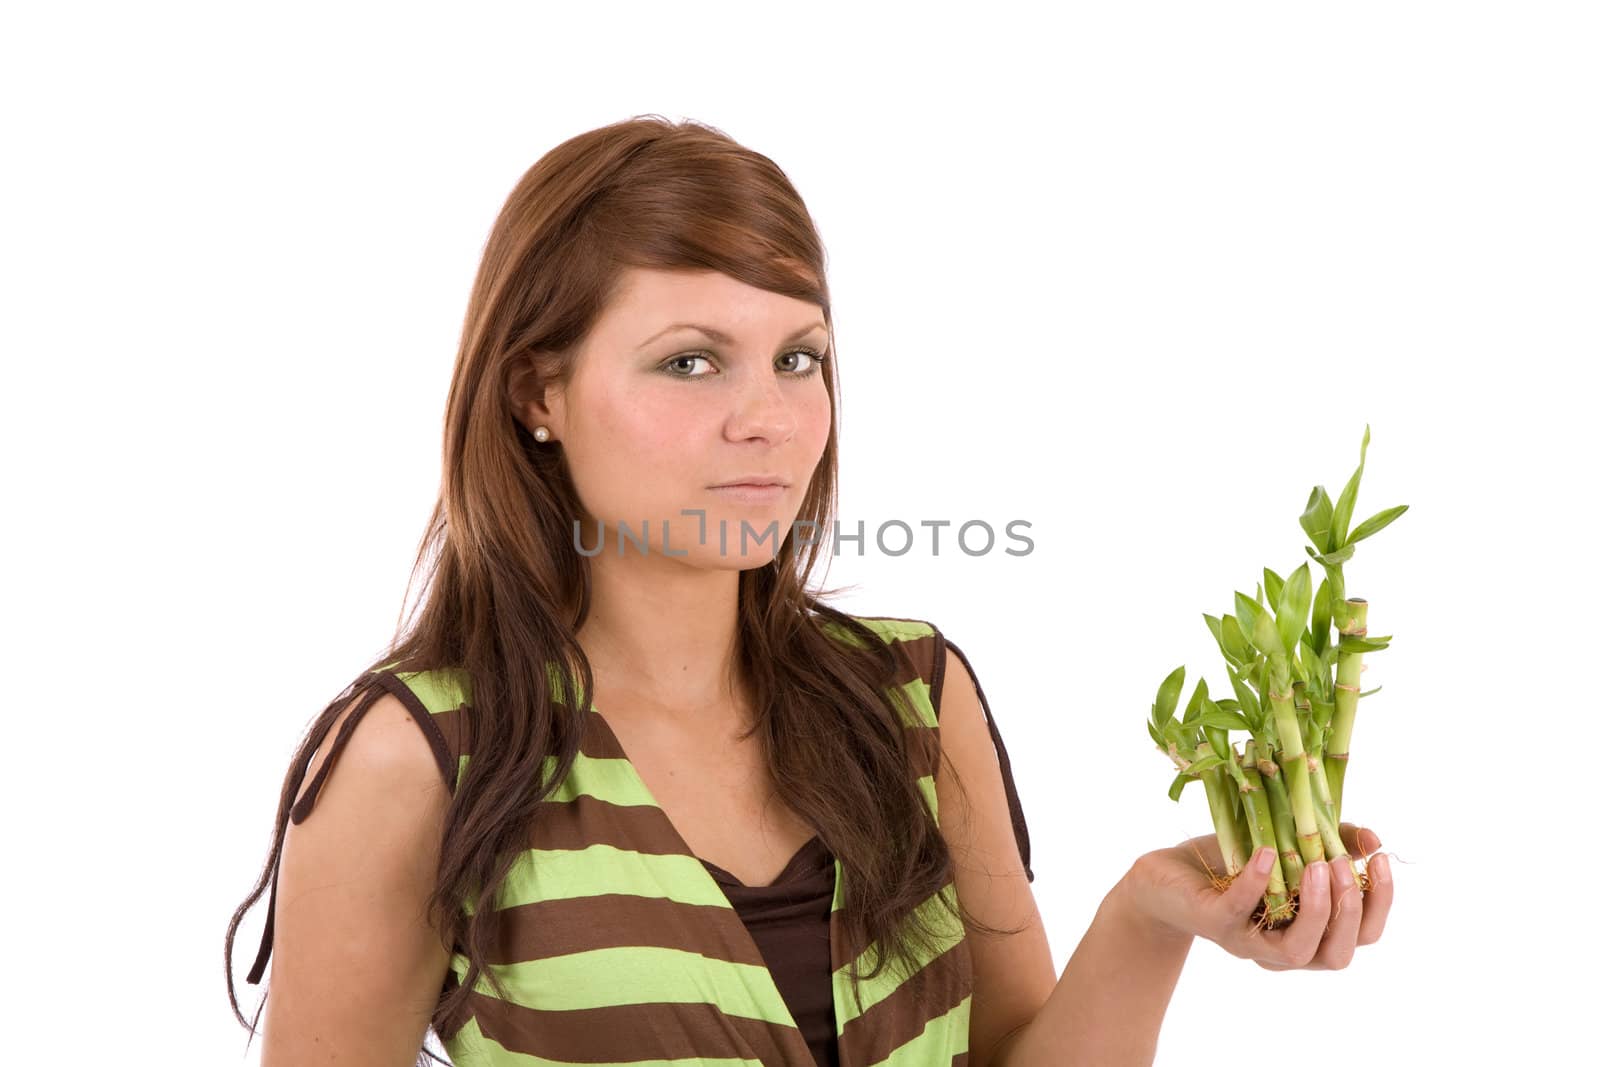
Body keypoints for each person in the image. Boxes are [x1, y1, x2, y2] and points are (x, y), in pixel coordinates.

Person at [225, 115, 1394, 1067]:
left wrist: (1150, 914)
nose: (767, 417)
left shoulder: (909, 698)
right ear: (540, 392)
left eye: (798, 356)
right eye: (689, 360)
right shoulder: (420, 752)